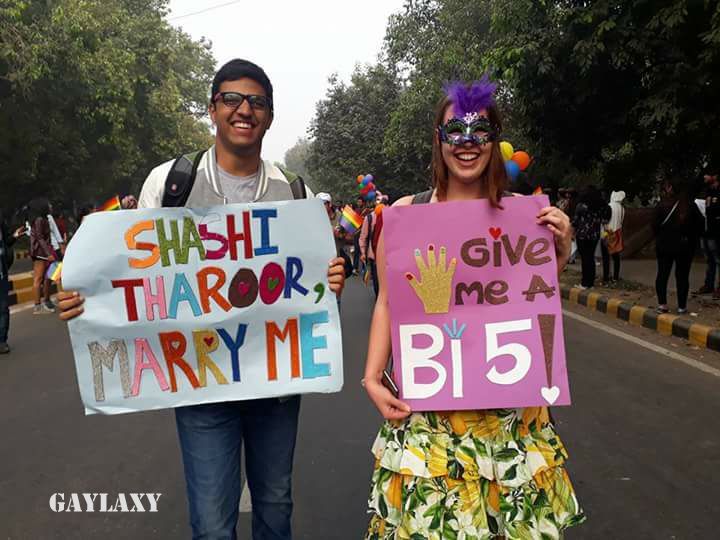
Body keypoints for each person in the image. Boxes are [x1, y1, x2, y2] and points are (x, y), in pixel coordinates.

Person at [58, 58, 346, 540]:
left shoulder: (294, 191)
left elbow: (314, 278)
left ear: (269, 116)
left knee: (276, 504)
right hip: (199, 381)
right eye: (231, 99)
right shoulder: (171, 183)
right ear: (213, 109)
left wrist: (331, 278)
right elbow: (124, 267)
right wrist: (83, 298)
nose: (244, 110)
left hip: (275, 383)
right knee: (212, 521)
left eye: (256, 102)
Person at [362, 79, 584, 540]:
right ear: (438, 140)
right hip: (431, 421)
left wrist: (558, 254)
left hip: (510, 422)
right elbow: (387, 300)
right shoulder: (405, 214)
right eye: (454, 132)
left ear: (495, 137)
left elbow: (533, 301)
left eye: (479, 132)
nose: (466, 143)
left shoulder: (527, 215)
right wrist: (371, 377)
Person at [654, 178, 704, 314]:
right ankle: (682, 307)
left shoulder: (661, 205)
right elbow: (700, 224)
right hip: (684, 247)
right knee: (682, 276)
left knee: (662, 274)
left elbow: (654, 226)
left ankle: (662, 305)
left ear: (670, 188)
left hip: (664, 246)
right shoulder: (689, 205)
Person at [0, 209, 26, 354]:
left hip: (1, 275)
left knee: (3, 309)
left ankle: (2, 341)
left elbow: (7, 241)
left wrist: (15, 235)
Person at [571, 186, 606, 289]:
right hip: (595, 235)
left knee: (585, 259)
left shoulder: (581, 206)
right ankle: (590, 283)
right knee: (591, 258)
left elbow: (575, 221)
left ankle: (584, 283)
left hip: (583, 235)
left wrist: (572, 234)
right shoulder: (599, 207)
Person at [27, 198, 56, 314]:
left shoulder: (42, 219)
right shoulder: (39, 220)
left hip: (42, 252)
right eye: (49, 205)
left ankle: (44, 302)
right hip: (40, 253)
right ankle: (37, 306)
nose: (51, 207)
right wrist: (48, 253)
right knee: (38, 279)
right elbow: (40, 238)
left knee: (46, 277)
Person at [698, 169, 720, 297]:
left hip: (716, 231)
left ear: (715, 176)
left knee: (717, 259)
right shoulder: (707, 191)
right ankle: (708, 284)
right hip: (705, 231)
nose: (704, 177)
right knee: (709, 259)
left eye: (707, 175)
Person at [601, 190, 626, 283]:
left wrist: (604, 233)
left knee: (606, 257)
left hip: (607, 233)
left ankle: (606, 278)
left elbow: (605, 221)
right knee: (616, 257)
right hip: (617, 233)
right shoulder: (623, 209)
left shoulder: (609, 207)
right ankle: (615, 277)